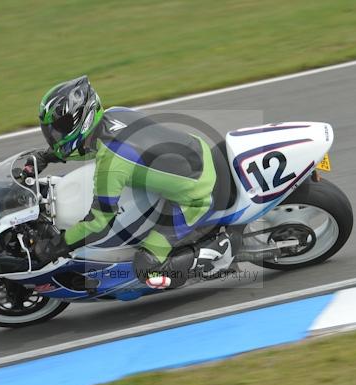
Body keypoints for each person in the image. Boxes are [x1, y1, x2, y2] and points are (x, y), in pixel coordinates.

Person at [30, 76, 234, 288]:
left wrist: (58, 245)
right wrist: (48, 156)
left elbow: (98, 223)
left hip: (194, 198)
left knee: (144, 266)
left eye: (59, 128)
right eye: (51, 129)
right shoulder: (114, 114)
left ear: (82, 118)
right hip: (197, 150)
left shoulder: (112, 164)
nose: (54, 135)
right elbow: (90, 148)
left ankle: (219, 251)